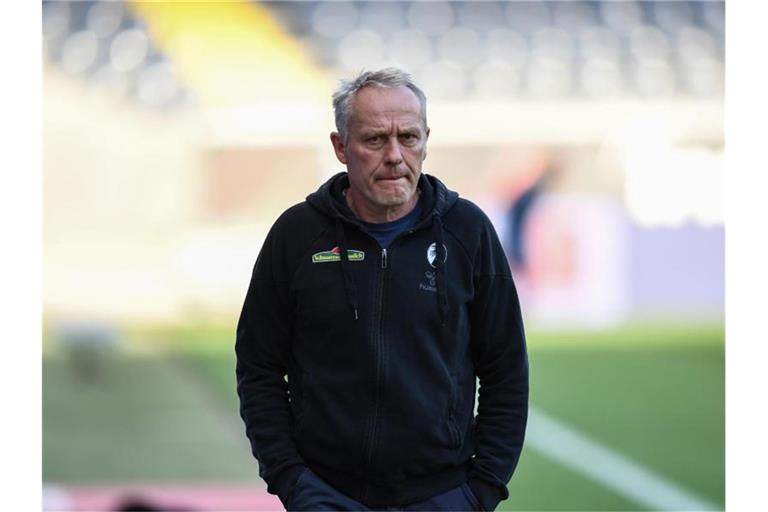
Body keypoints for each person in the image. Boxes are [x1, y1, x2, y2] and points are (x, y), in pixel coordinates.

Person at [235, 68, 529, 512]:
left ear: (426, 140)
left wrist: (481, 490)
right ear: (340, 146)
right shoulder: (297, 235)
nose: (395, 155)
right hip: (327, 495)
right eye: (375, 140)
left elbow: (506, 370)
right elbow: (259, 365)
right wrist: (291, 480)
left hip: (444, 495)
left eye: (408, 138)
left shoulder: (468, 232)